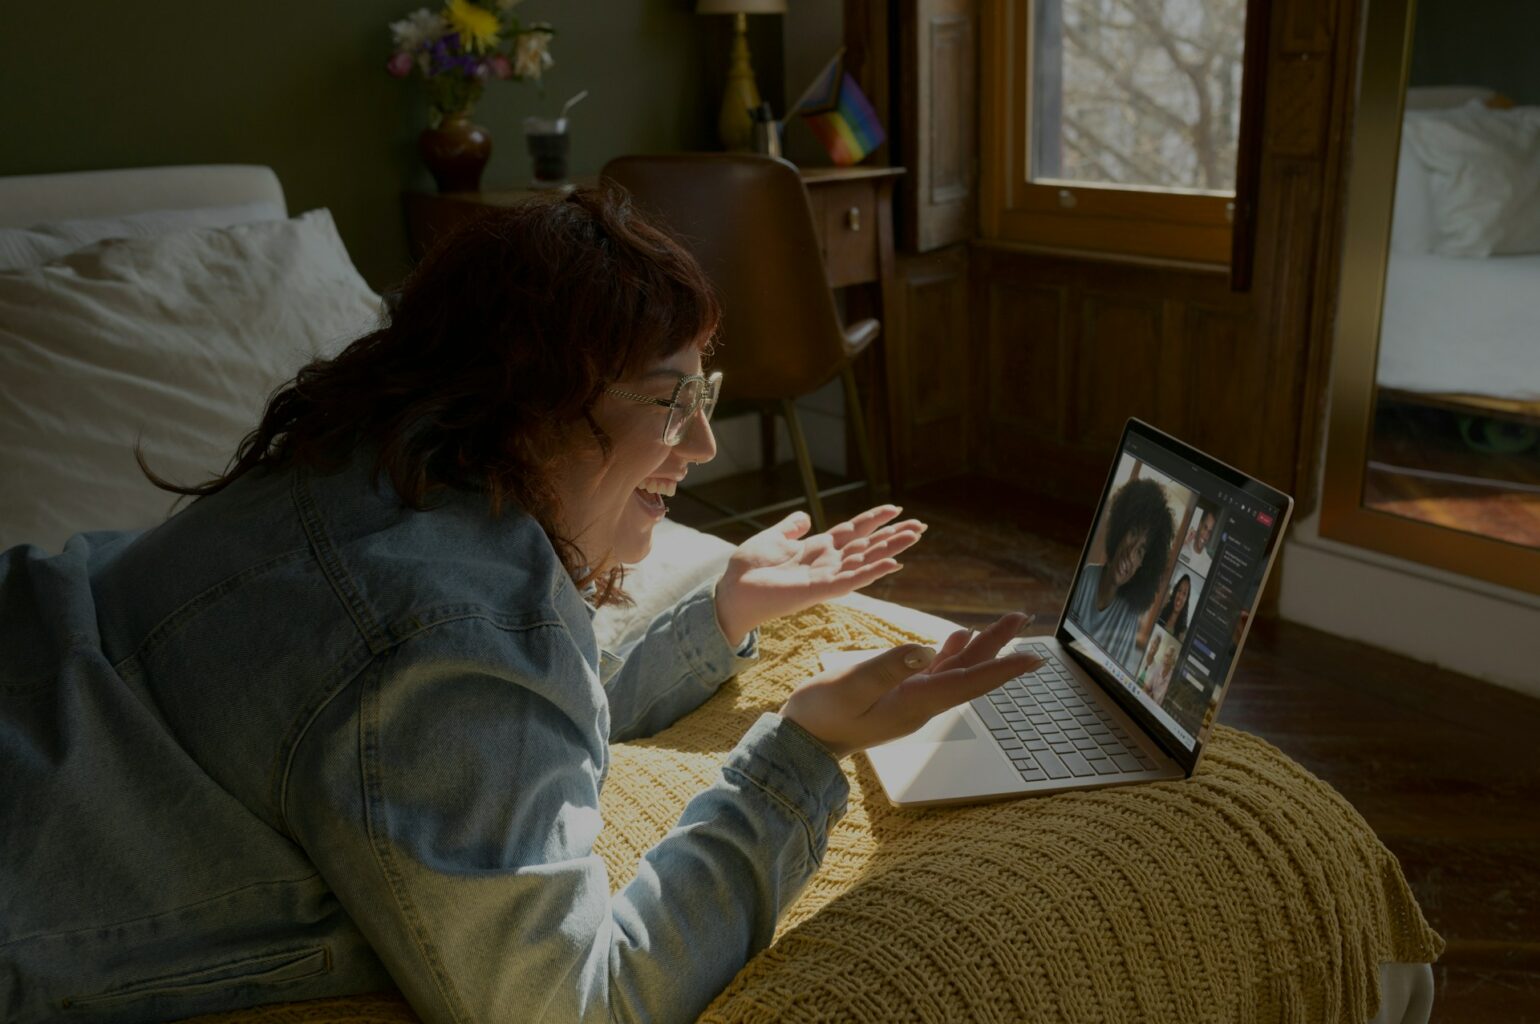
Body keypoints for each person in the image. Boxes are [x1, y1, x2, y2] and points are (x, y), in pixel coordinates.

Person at [0, 187, 1041, 1024]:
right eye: (671, 401)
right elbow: (575, 1002)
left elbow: (436, 724)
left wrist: (717, 614)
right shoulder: (448, 631)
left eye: (704, 395)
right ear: (533, 398)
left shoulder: (357, 462)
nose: (704, 446)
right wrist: (805, 746)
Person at [1066, 477, 1175, 671]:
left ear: (1144, 565)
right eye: (1133, 533)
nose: (1131, 553)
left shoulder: (1128, 618)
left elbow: (1110, 679)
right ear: (1121, 528)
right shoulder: (1086, 577)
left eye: (1141, 551)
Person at [1156, 573, 1193, 641]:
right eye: (1179, 590)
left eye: (1184, 593)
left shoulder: (1183, 632)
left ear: (1186, 600)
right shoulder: (1161, 612)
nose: (1180, 597)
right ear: (1175, 592)